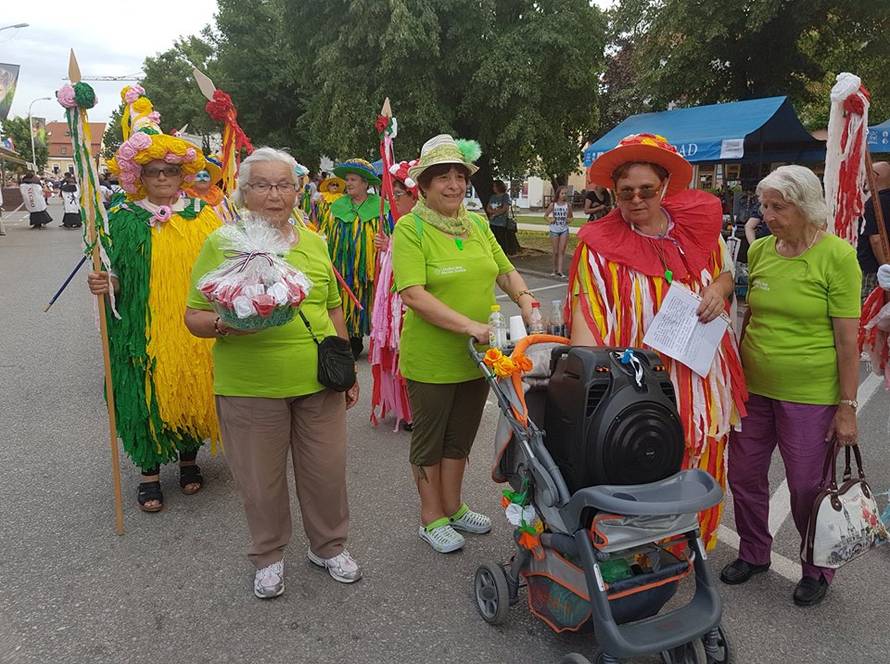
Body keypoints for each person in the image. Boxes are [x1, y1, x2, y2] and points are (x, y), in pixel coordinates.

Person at [184, 147, 361, 598]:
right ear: (244, 193)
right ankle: (268, 555)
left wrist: (346, 368)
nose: (274, 194)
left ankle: (328, 546)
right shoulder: (222, 244)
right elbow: (194, 317)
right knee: (260, 481)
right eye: (261, 185)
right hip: (250, 386)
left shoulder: (314, 242)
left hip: (318, 383)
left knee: (326, 472)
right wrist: (226, 324)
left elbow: (333, 308)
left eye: (284, 184)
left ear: (298, 192)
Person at [566, 133, 748, 549]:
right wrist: (589, 391)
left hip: (699, 377)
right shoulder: (598, 247)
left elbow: (724, 273)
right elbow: (587, 320)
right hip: (640, 384)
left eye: (646, 189)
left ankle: (690, 549)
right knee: (644, 455)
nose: (636, 199)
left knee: (699, 450)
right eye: (625, 191)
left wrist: (719, 290)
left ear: (664, 187)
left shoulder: (698, 229)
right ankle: (643, 555)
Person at [721, 165, 861, 608]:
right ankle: (753, 551)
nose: (767, 215)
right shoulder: (761, 250)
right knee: (743, 475)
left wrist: (847, 405)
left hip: (811, 395)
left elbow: (847, 340)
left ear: (806, 207)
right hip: (754, 390)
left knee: (805, 486)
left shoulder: (837, 256)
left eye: (777, 207)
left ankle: (817, 568)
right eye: (764, 206)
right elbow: (750, 316)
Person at [392, 134, 537, 554]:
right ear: (424, 185)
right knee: (429, 442)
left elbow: (505, 271)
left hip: (480, 356)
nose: (454, 185)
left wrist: (527, 301)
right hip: (432, 358)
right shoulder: (410, 227)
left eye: (459, 177)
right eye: (443, 178)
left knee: (460, 438)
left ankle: (453, 507)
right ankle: (430, 516)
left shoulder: (475, 223)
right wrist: (470, 326)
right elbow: (413, 294)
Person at [86, 85, 222, 512]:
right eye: (153, 172)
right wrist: (105, 282)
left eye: (169, 171)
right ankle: (148, 473)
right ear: (139, 177)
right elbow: (114, 268)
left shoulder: (204, 217)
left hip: (191, 322)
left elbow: (220, 267)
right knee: (144, 394)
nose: (162, 178)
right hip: (141, 325)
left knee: (191, 387)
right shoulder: (123, 220)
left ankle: (187, 461)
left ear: (182, 175)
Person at [320, 158, 387, 359]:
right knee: (343, 301)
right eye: (347, 179)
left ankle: (369, 338)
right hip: (342, 268)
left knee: (368, 300)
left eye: (353, 180)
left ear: (365, 183)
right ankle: (347, 339)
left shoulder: (381, 208)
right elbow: (326, 233)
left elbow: (392, 234)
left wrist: (385, 242)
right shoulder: (337, 206)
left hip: (369, 271)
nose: (348, 183)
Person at [370, 159, 419, 431]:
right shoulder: (401, 223)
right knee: (396, 346)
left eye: (397, 195)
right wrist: (387, 247)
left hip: (409, 301)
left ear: (414, 195)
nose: (392, 200)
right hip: (394, 299)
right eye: (391, 194)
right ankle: (405, 407)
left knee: (407, 346)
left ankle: (415, 409)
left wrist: (391, 246)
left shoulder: (417, 224)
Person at [856, 161, 890, 302]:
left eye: (866, 174)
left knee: (871, 311)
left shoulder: (874, 203)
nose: (864, 179)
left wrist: (885, 268)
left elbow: (876, 240)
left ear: (874, 176)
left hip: (874, 270)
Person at [544, 185, 573, 277]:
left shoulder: (568, 205)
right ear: (558, 194)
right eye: (562, 193)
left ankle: (560, 270)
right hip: (554, 229)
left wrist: (569, 220)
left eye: (565, 193)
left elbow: (571, 217)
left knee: (561, 250)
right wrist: (550, 220)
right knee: (555, 251)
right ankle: (554, 270)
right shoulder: (553, 205)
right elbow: (545, 216)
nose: (564, 195)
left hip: (564, 229)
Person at [486, 179, 519, 255]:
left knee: (501, 240)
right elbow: (488, 208)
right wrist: (494, 212)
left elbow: (504, 209)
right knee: (493, 239)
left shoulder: (505, 196)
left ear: (499, 187)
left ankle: (503, 254)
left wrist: (494, 214)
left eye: (494, 186)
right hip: (492, 222)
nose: (493, 188)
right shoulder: (493, 197)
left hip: (501, 223)